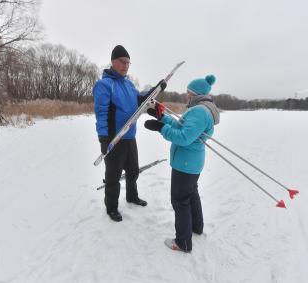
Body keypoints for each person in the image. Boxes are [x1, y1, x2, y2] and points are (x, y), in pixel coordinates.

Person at [144, 74, 219, 252]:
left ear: (195, 94)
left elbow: (184, 137)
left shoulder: (199, 112)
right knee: (191, 194)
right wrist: (162, 118)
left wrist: (161, 128)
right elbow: (182, 125)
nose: (186, 96)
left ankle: (183, 242)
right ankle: (196, 227)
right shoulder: (201, 109)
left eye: (188, 93)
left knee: (180, 200)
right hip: (191, 163)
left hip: (185, 164)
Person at [93, 45, 165, 222]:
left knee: (133, 172)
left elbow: (140, 101)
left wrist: (156, 89)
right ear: (113, 62)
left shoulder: (129, 84)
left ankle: (132, 196)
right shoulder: (104, 85)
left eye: (128, 63)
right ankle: (111, 207)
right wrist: (103, 138)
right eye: (122, 62)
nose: (126, 65)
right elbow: (101, 113)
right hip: (113, 139)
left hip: (130, 137)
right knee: (113, 177)